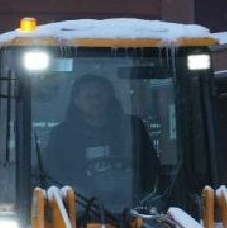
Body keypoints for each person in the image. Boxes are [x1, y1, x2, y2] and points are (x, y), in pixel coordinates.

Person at [44, 73, 162, 219]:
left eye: (99, 95)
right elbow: (54, 174)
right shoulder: (61, 135)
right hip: (79, 215)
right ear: (76, 100)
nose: (95, 101)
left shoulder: (132, 128)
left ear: (109, 97)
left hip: (134, 213)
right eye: (88, 97)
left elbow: (150, 168)